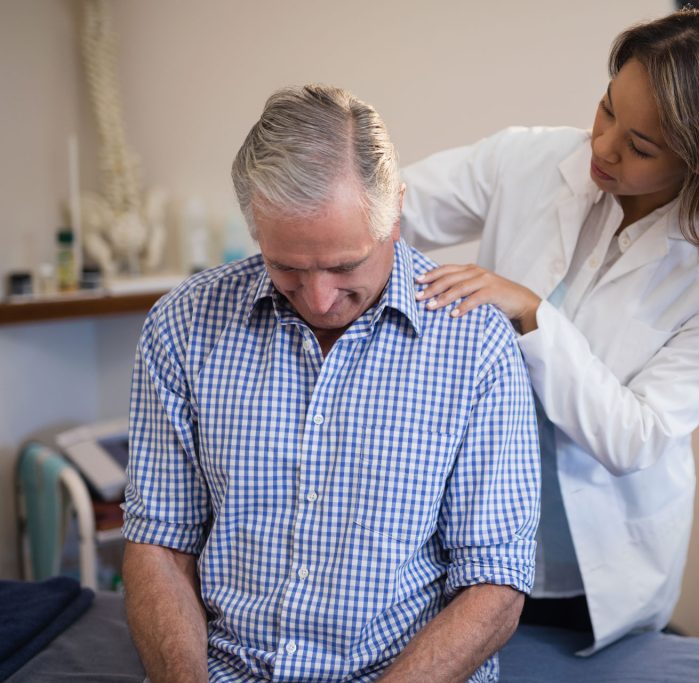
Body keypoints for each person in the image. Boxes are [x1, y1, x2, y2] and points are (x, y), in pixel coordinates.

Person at [121, 85, 541, 683]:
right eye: (286, 265)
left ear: (395, 212)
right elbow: (159, 539)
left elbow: (494, 583)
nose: (319, 299)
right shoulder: (183, 325)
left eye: (346, 265)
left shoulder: (475, 344)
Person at [400, 8, 699, 652]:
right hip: (470, 532)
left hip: (593, 565)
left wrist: (531, 313)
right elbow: (391, 209)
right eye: (607, 110)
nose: (602, 147)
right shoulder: (530, 158)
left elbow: (634, 437)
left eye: (640, 146)